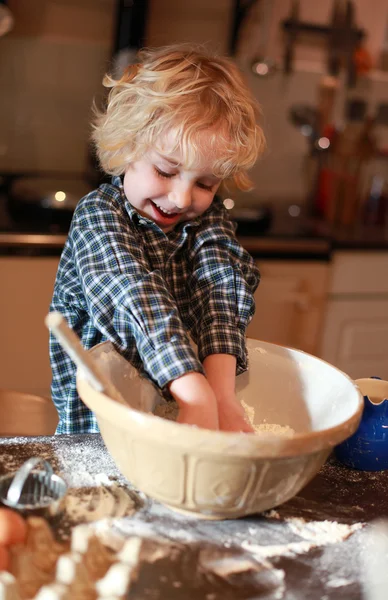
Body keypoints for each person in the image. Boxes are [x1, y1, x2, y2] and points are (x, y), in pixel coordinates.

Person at [49, 44, 265, 435]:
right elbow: (135, 298)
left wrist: (221, 394)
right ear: (127, 146)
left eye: (204, 183)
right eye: (166, 171)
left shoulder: (209, 219)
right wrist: (195, 394)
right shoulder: (99, 216)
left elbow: (221, 290)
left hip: (176, 408)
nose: (182, 198)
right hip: (99, 430)